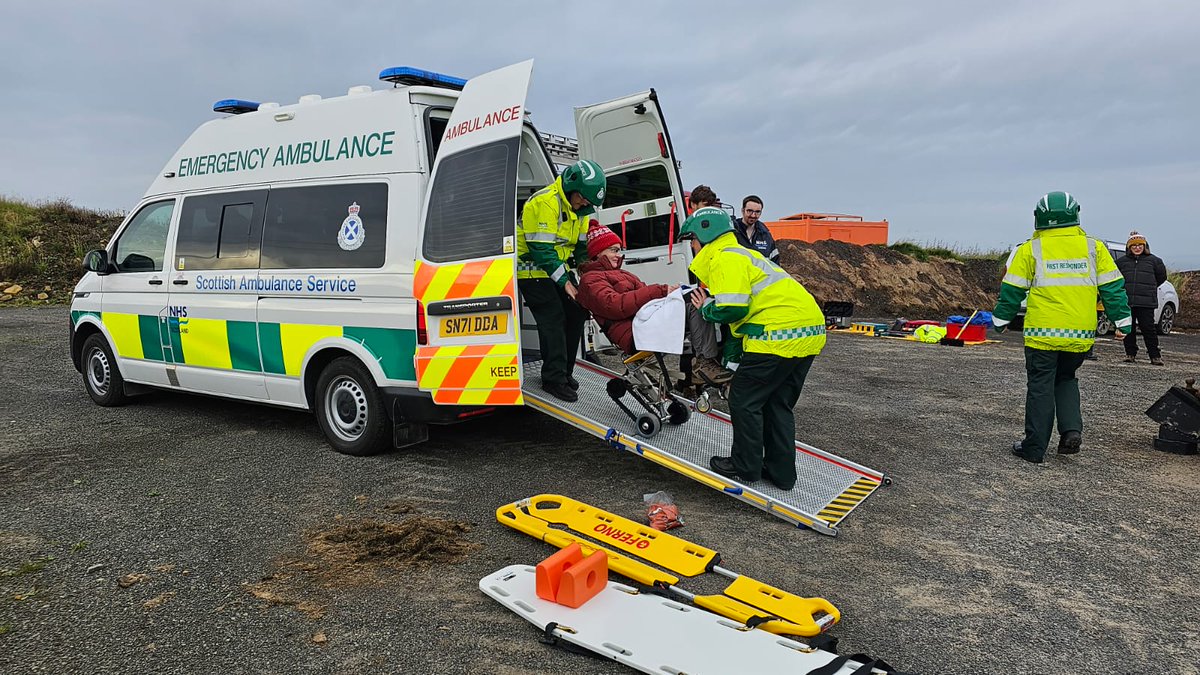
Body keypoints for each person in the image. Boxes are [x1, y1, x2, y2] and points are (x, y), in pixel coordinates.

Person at [679, 207, 827, 490]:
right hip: (809, 331)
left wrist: (706, 308)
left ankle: (745, 466)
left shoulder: (724, 257)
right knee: (777, 404)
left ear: (706, 234)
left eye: (693, 240)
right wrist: (733, 362)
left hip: (778, 335)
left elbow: (733, 307)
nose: (693, 247)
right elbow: (743, 322)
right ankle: (782, 474)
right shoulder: (746, 255)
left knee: (744, 400)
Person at [993, 192, 1131, 464]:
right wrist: (1122, 320)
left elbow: (1012, 289)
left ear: (1039, 217)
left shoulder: (1030, 249)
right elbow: (1113, 287)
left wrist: (1001, 319)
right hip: (1079, 334)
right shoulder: (1094, 248)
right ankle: (1070, 431)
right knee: (1066, 378)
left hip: (1042, 334)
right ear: (1075, 214)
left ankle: (1034, 448)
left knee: (1041, 386)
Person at [575, 223, 733, 385]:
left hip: (645, 326)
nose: (619, 255)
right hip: (635, 334)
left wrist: (672, 294)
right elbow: (615, 305)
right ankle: (704, 364)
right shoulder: (590, 280)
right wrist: (661, 291)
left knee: (699, 298)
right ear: (598, 252)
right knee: (694, 302)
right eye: (614, 250)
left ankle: (702, 367)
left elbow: (644, 300)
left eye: (620, 250)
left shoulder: (622, 274)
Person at [518, 159, 606, 402]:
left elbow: (579, 248)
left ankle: (565, 372)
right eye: (584, 198)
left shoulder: (581, 209)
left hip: (556, 270)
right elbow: (541, 251)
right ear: (571, 188)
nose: (586, 204)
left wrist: (589, 272)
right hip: (532, 271)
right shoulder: (545, 202)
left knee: (578, 312)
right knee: (553, 317)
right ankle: (553, 379)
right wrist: (567, 283)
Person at [1116, 231, 1167, 366]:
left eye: (1140, 245)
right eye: (1134, 245)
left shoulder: (1155, 261)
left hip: (1146, 302)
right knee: (1128, 329)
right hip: (1127, 301)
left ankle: (1155, 356)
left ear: (1145, 246)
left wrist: (1149, 287)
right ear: (1129, 247)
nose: (1137, 248)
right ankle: (1130, 354)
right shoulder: (1121, 262)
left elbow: (1161, 278)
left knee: (1148, 329)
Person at [733, 195, 779, 262]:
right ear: (743, 211)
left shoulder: (765, 235)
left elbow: (775, 261)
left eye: (757, 212)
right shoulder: (732, 231)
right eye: (749, 211)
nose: (753, 215)